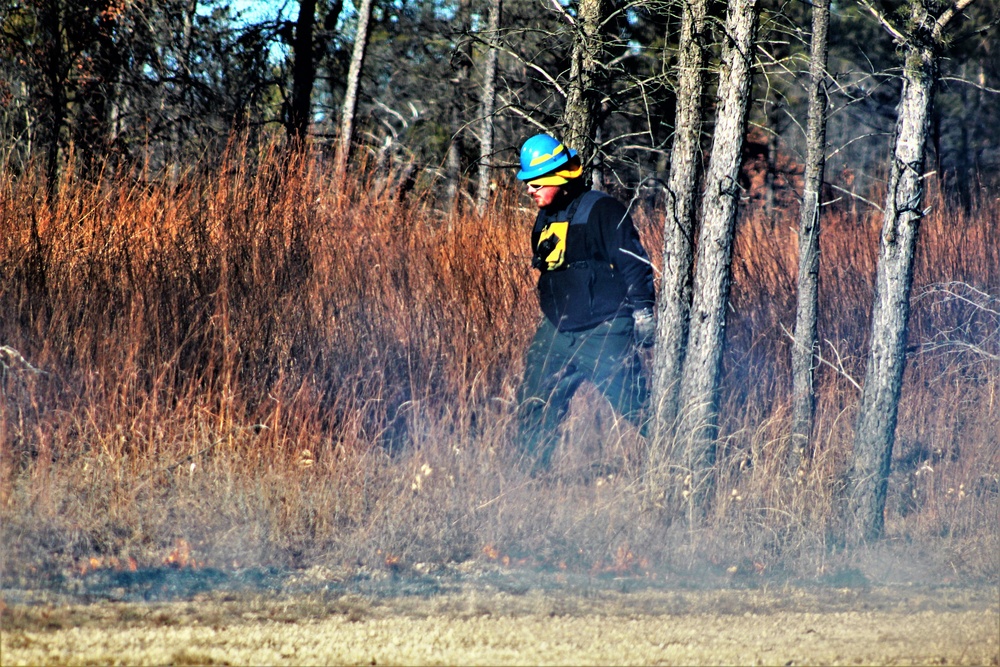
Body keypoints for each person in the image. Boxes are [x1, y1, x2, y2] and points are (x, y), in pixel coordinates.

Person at [514, 133, 656, 471]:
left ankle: (685, 463)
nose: (530, 190)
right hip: (558, 329)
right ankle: (530, 480)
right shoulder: (545, 216)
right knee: (535, 399)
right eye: (528, 184)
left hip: (605, 330)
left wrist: (643, 312)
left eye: (536, 182)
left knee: (634, 404)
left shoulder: (602, 209)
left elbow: (634, 263)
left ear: (560, 178)